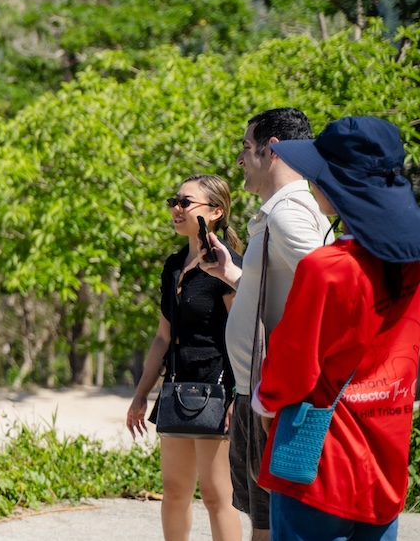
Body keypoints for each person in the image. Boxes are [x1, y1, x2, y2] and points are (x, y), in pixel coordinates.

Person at [251, 117, 420, 541]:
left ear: (340, 184)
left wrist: (263, 408)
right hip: (386, 464)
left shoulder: (326, 269)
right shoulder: (412, 265)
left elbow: (291, 369)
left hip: (318, 467)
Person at [201, 108, 329, 540]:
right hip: (257, 393)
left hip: (272, 401)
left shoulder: (287, 215)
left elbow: (333, 290)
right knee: (264, 522)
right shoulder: (281, 213)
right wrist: (232, 275)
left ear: (271, 149)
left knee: (272, 526)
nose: (240, 159)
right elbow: (294, 289)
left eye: (245, 147)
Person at [127, 174, 244, 541]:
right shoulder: (174, 266)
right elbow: (163, 338)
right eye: (173, 201)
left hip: (219, 389)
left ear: (215, 212)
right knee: (174, 492)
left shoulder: (228, 267)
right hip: (178, 390)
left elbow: (240, 335)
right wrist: (140, 394)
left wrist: (238, 394)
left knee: (216, 495)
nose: (176, 209)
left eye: (185, 202)